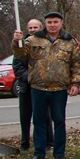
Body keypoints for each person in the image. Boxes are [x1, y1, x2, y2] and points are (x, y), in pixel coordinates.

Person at [12, 11, 80, 159]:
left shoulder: (69, 41)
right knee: (39, 121)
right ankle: (39, 152)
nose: (52, 25)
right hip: (38, 88)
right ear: (45, 23)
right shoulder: (33, 40)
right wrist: (16, 42)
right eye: (49, 22)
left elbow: (76, 64)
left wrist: (75, 83)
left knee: (59, 121)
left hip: (59, 89)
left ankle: (59, 153)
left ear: (61, 23)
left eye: (55, 22)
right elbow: (21, 55)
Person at [13, 18, 53, 151]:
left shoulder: (45, 43)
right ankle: (25, 143)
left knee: (44, 116)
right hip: (26, 87)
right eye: (30, 28)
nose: (32, 30)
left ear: (41, 28)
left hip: (42, 86)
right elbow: (17, 67)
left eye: (35, 27)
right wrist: (30, 78)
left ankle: (48, 142)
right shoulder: (21, 45)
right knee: (25, 116)